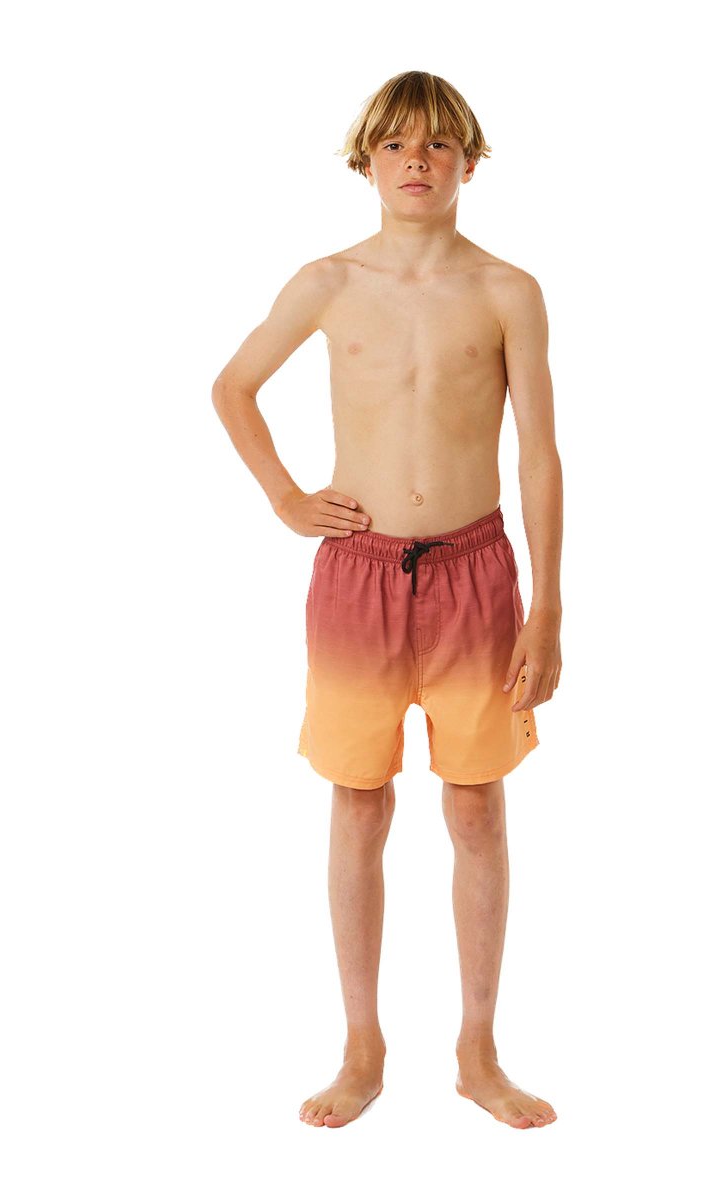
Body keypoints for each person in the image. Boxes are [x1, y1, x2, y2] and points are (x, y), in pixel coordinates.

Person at [212, 70, 563, 1130]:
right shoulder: (328, 282)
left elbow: (538, 455)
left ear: (470, 164)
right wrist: (286, 497)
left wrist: (548, 607)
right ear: (366, 162)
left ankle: (477, 1049)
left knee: (476, 804)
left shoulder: (507, 290)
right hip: (357, 576)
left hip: (475, 574)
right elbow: (232, 386)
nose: (418, 161)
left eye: (439, 145)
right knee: (358, 801)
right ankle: (360, 1044)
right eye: (398, 145)